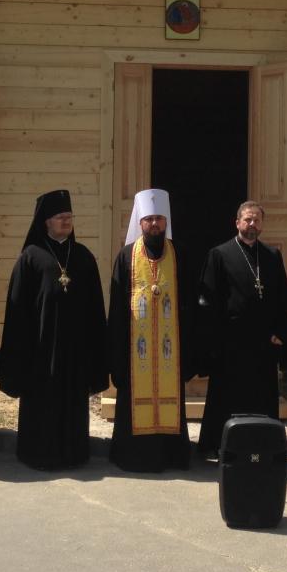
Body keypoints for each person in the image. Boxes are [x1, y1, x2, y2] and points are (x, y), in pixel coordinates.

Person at [0, 190, 107, 470]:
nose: (66, 221)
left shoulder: (83, 256)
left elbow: (95, 307)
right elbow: (18, 310)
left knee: (73, 402)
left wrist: (96, 351)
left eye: (69, 217)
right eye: (61, 217)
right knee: (42, 405)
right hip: (41, 349)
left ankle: (74, 453)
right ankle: (38, 453)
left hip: (76, 349)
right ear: (46, 222)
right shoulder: (31, 257)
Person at [196, 200, 287, 459]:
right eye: (248, 219)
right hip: (232, 342)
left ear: (262, 224)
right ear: (237, 222)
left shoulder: (272, 256)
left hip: (264, 341)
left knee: (262, 396)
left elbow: (282, 298)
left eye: (257, 220)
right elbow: (209, 300)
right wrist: (214, 339)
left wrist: (281, 332)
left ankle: (263, 446)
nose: (252, 224)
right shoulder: (219, 254)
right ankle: (221, 446)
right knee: (226, 397)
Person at [106, 189, 192, 472]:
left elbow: (189, 306)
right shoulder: (126, 256)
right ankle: (133, 457)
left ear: (166, 222)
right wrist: (116, 354)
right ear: (140, 222)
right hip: (136, 351)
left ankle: (171, 456)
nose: (154, 224)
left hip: (169, 350)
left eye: (159, 219)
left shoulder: (179, 255)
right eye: (149, 219)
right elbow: (118, 308)